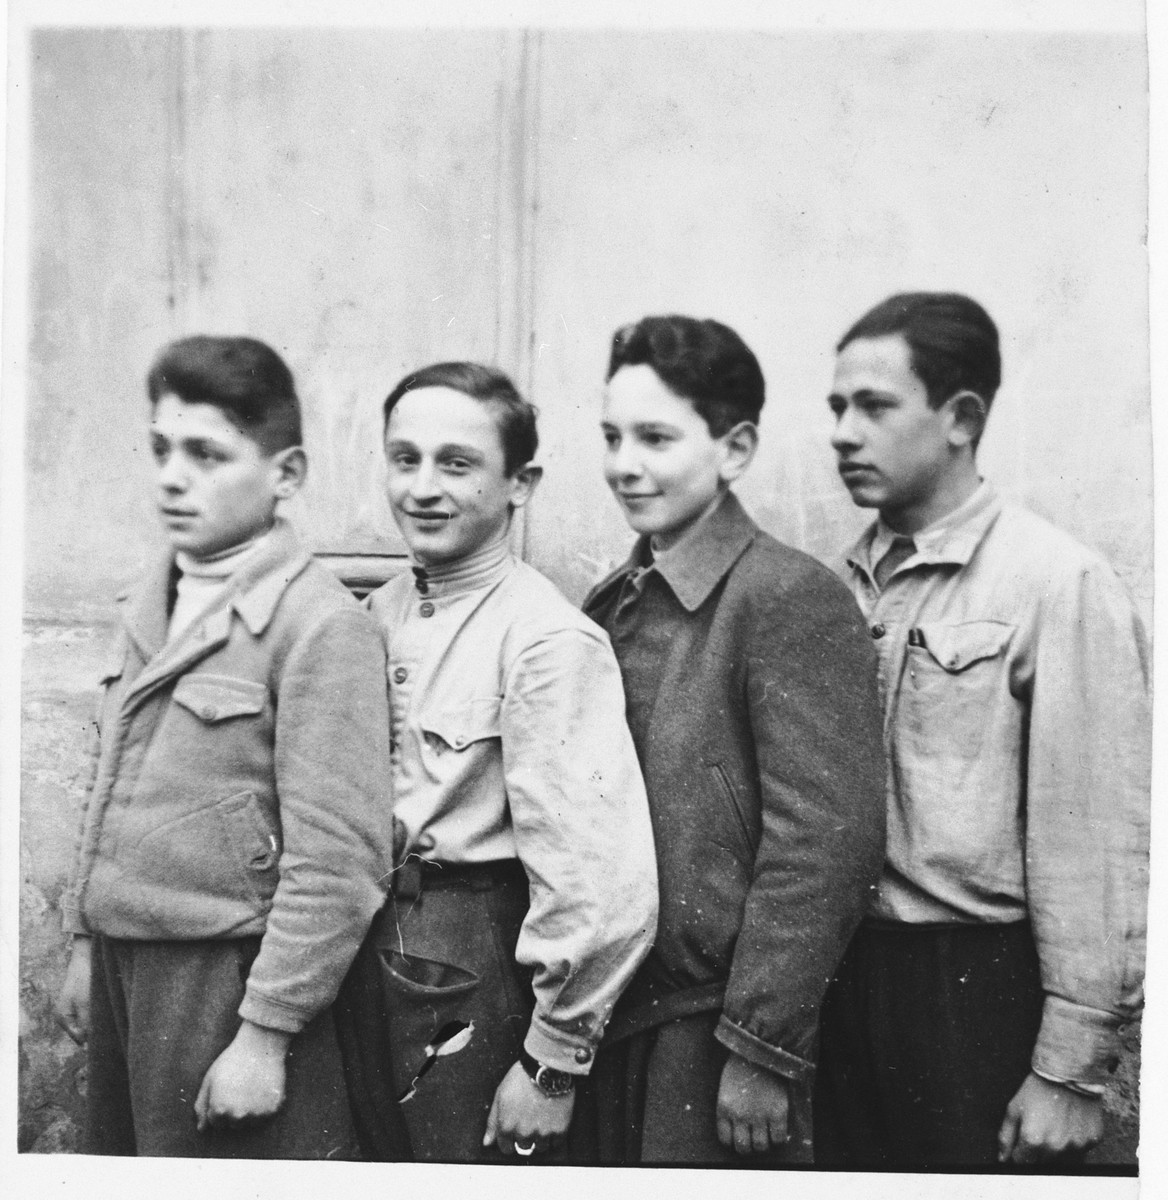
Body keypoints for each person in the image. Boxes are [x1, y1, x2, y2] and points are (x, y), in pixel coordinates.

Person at [814, 292, 1150, 1168]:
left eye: (874, 407)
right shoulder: (834, 587)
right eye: (837, 408)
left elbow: (1097, 842)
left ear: (962, 418)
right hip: (842, 990)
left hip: (973, 996)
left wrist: (1071, 1072)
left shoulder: (1055, 582)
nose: (844, 433)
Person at [53, 335, 394, 1157]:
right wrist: (85, 939)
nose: (173, 477)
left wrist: (266, 1035)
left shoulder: (319, 626)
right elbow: (112, 784)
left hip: (230, 981)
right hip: (124, 970)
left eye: (208, 454)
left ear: (287, 475)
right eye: (162, 450)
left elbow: (340, 863)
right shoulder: (149, 601)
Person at [577, 315, 886, 1164]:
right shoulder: (615, 602)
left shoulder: (786, 598)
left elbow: (825, 843)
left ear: (736, 447)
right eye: (610, 437)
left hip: (712, 1033)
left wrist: (759, 1048)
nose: (624, 464)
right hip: (615, 1017)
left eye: (655, 437)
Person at [335, 361, 658, 1163]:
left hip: (472, 961)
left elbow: (597, 878)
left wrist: (551, 1062)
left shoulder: (545, 640)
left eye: (457, 463)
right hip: (367, 955)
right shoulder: (376, 615)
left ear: (521, 484)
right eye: (404, 459)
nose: (422, 488)